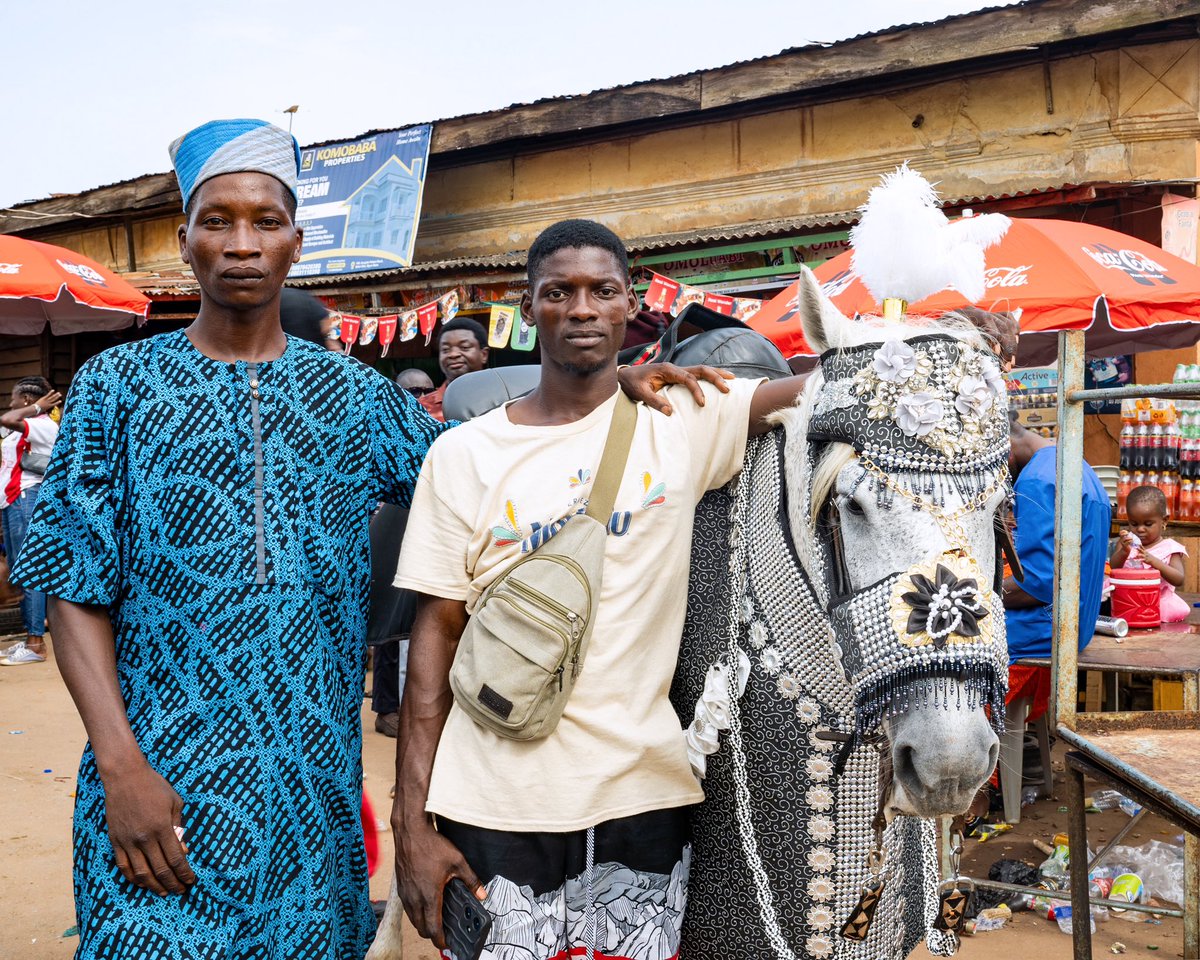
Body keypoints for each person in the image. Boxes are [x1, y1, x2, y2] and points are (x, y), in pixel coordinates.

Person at [390, 218, 810, 960]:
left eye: (601, 291)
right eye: (559, 292)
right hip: (491, 798)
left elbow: (817, 392)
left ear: (630, 305)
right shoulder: (462, 455)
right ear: (527, 310)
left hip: (640, 793)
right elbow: (435, 640)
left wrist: (939, 347)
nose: (581, 309)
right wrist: (411, 825)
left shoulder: (680, 419)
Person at [1003, 409, 1111, 716]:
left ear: (1005, 448)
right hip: (1077, 627)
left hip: (1042, 630)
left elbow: (1037, 585)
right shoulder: (1076, 465)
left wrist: (978, 593)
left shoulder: (1036, 480)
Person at [0, 376, 62, 664]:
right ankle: (31, 637)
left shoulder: (41, 424)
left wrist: (35, 408)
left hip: (27, 498)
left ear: (26, 399)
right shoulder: (29, 424)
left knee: (30, 572)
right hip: (14, 500)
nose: (11, 401)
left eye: (15, 397)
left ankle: (35, 643)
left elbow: (8, 416)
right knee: (19, 570)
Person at [1110, 484, 1189, 622]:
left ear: (1164, 521)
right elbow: (1114, 568)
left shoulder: (1170, 548)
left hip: (1158, 600)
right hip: (1126, 598)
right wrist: (1124, 551)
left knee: (1164, 611)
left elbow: (1179, 579)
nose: (1140, 529)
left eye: (1148, 524)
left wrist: (1154, 561)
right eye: (1134, 524)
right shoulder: (1126, 543)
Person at [418, 318, 489, 422]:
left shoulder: (504, 400)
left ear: (484, 355)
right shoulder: (420, 409)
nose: (453, 354)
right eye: (446, 350)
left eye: (464, 347)